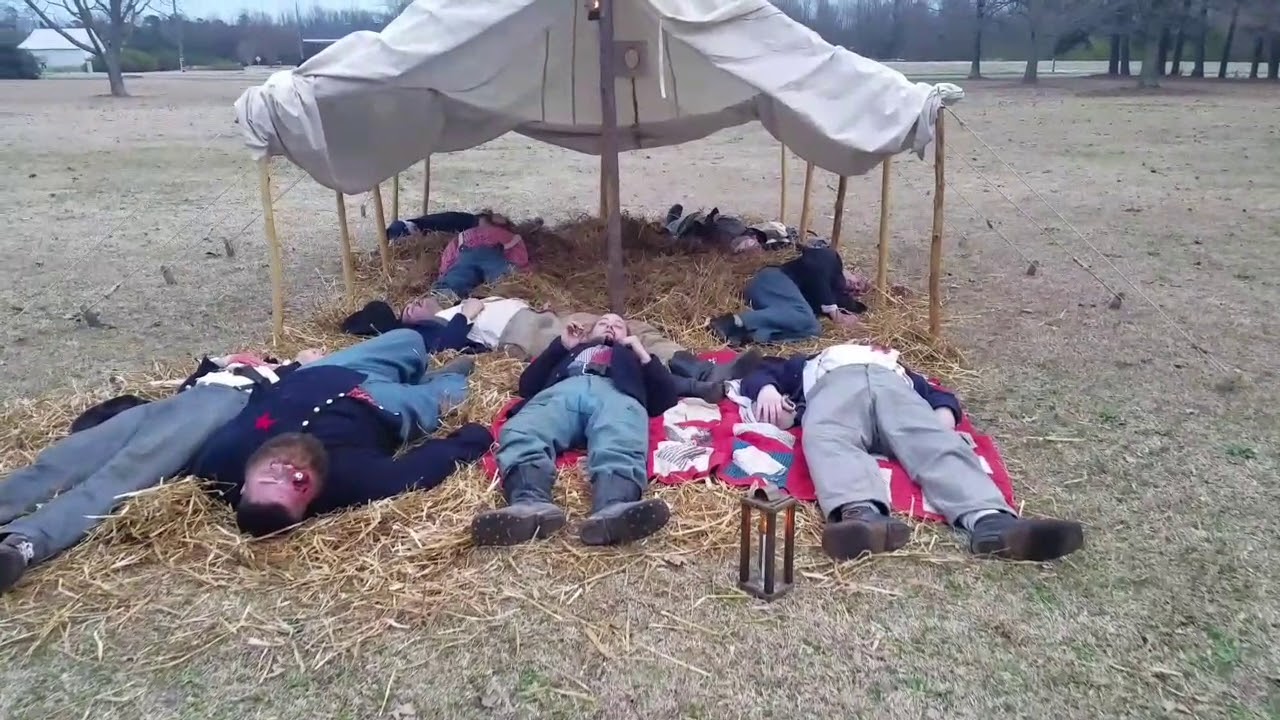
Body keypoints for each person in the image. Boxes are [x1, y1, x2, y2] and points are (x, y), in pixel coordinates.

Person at [0, 350, 314, 594]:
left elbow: (306, 392)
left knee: (124, 474)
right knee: (65, 460)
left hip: (222, 405)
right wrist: (224, 361)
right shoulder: (241, 363)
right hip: (176, 401)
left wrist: (301, 364)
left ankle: (23, 544)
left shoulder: (292, 377)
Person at [739, 343, 1085, 562]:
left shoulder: (903, 371)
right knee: (826, 436)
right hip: (836, 387)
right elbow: (762, 370)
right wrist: (768, 390)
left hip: (895, 391)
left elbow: (941, 397)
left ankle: (992, 522)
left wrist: (941, 419)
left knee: (933, 442)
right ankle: (863, 517)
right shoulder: (808, 364)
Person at [188, 326, 493, 537]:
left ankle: (417, 369)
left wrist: (288, 368)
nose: (287, 469)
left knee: (410, 339)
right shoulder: (348, 485)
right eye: (296, 482)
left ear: (242, 486)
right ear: (311, 499)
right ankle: (442, 378)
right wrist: (474, 439)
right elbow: (418, 470)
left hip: (323, 375)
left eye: (270, 475)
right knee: (453, 394)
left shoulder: (217, 462)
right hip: (383, 406)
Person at [472, 314, 677, 548]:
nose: (610, 326)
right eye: (603, 323)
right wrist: (561, 346)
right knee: (525, 429)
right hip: (564, 391)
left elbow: (666, 399)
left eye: (618, 325)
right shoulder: (572, 350)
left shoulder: (633, 357)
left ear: (628, 336)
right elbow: (527, 385)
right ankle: (528, 502)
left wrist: (642, 355)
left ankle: (614, 506)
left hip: (616, 393)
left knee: (621, 431)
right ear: (589, 333)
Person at [344, 296, 763, 402]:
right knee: (607, 343)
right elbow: (446, 347)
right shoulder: (437, 327)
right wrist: (465, 315)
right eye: (408, 311)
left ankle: (698, 364)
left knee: (632, 326)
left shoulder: (451, 296)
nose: (417, 306)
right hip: (524, 333)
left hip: (542, 314)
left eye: (414, 300)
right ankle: (692, 384)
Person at [709, 245, 867, 345]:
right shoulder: (830, 259)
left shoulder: (830, 295)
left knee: (813, 329)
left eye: (856, 291)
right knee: (804, 316)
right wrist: (835, 313)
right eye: (858, 282)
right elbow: (815, 268)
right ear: (854, 272)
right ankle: (732, 321)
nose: (854, 287)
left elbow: (847, 305)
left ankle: (750, 334)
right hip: (772, 280)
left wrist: (851, 308)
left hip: (779, 304)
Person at [430, 212, 533, 302]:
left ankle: (446, 294)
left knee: (459, 277)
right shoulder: (465, 235)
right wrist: (520, 270)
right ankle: (446, 294)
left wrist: (445, 271)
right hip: (484, 257)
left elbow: (449, 254)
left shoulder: (509, 236)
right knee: (504, 279)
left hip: (481, 256)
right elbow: (520, 254)